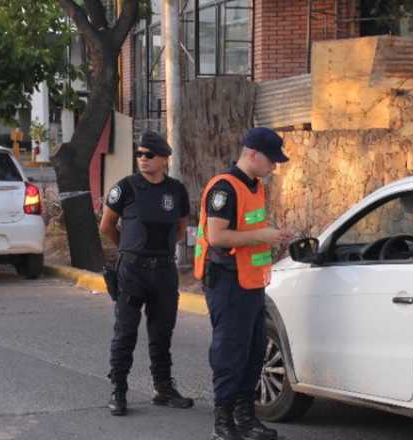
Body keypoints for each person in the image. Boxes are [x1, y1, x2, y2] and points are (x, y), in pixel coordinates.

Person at [194, 127, 293, 440]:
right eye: (271, 160)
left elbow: (249, 232)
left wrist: (271, 238)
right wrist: (261, 236)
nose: (274, 166)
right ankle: (223, 423)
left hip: (250, 282)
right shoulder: (224, 187)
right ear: (252, 154)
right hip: (226, 282)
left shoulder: (255, 186)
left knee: (253, 353)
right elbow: (217, 236)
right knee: (230, 353)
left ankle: (246, 418)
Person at [99, 131, 194, 417]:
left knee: (162, 333)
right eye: (139, 154)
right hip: (132, 271)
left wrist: (159, 251)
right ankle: (119, 390)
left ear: (164, 158)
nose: (143, 159)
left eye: (149, 155)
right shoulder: (126, 188)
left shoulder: (176, 190)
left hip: (163, 271)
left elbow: (180, 228)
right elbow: (107, 226)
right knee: (125, 333)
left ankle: (163, 388)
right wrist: (129, 249)